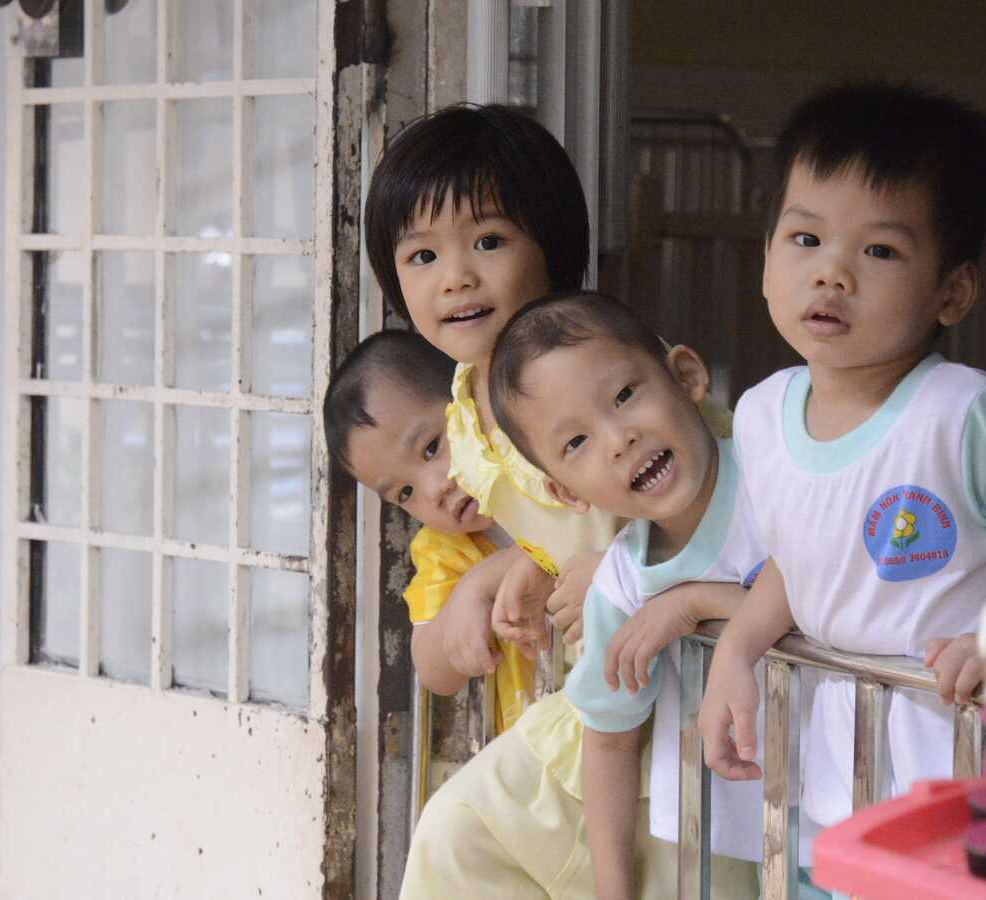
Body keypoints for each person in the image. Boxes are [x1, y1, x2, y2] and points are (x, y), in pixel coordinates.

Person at [365, 102, 699, 899]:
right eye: (420, 256)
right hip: (588, 712)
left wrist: (613, 570)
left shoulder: (607, 366)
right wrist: (518, 572)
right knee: (455, 844)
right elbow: (541, 541)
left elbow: (717, 498)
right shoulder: (461, 408)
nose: (456, 277)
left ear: (553, 247)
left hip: (680, 697)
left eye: (488, 241)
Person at [697, 83, 986, 865]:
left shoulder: (962, 415)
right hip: (832, 772)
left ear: (953, 291)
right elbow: (802, 561)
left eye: (880, 251)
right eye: (804, 240)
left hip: (959, 772)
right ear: (765, 259)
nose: (832, 274)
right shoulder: (761, 416)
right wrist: (736, 651)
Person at [489, 292, 766, 899]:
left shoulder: (776, 478)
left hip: (873, 794)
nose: (618, 439)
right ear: (565, 492)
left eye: (623, 396)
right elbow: (609, 745)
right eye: (576, 443)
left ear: (686, 377)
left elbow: (844, 604)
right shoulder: (622, 584)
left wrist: (695, 603)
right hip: (742, 846)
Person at [324, 329, 539, 732]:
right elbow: (430, 669)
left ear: (472, 396)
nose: (433, 488)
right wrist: (460, 609)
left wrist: (484, 582)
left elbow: (585, 544)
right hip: (542, 739)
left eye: (430, 448)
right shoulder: (446, 549)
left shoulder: (544, 468)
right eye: (405, 493)